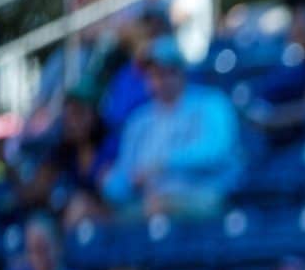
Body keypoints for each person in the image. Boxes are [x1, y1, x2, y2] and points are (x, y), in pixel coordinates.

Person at [101, 35, 242, 219]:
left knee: (160, 208)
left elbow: (217, 150)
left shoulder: (211, 103)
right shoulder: (139, 120)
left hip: (203, 196)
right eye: (152, 74)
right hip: (147, 203)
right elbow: (124, 175)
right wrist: (112, 183)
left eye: (165, 72)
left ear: (180, 72)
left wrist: (164, 163)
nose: (158, 80)